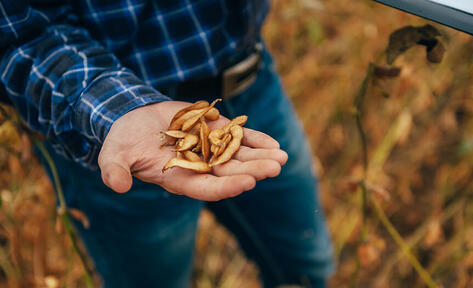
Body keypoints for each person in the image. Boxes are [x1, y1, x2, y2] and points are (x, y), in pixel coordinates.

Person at [0, 1, 335, 287]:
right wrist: (117, 109)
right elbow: (18, 38)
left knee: (308, 267)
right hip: (114, 123)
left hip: (251, 78)